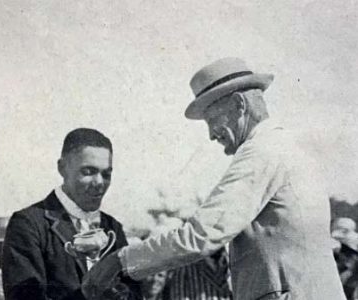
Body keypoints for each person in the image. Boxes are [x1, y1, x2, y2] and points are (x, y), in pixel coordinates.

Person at [82, 57, 346, 300]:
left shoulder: (263, 152)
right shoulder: (278, 147)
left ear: (239, 105)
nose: (210, 135)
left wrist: (120, 260)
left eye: (212, 120)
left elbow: (202, 233)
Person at [2, 128, 141, 300]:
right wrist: (85, 294)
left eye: (106, 174)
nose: (99, 183)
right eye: (88, 172)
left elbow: (134, 292)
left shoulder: (112, 227)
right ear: (62, 168)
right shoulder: (28, 224)